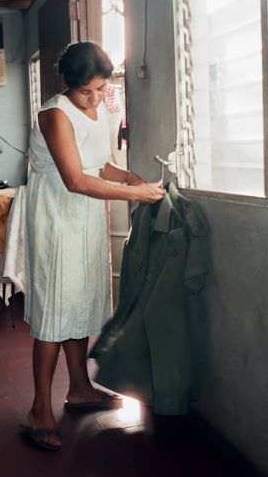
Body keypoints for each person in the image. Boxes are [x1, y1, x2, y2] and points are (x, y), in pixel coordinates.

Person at [22, 42, 166, 451]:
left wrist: (132, 178)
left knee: (79, 301)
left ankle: (80, 388)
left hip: (84, 219)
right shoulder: (54, 114)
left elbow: (99, 166)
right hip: (55, 216)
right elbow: (74, 178)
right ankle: (38, 408)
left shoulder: (99, 110)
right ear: (69, 84)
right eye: (88, 91)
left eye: (101, 89)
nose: (97, 97)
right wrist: (134, 197)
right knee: (54, 310)